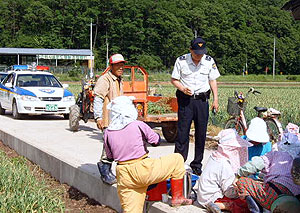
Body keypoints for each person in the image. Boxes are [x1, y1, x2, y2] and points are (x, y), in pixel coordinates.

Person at [103, 96, 192, 212]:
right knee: (177, 159)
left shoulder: (108, 132)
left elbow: (110, 156)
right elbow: (156, 141)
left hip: (124, 174)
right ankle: (178, 197)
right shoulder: (137, 125)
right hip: (143, 169)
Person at [171, 37, 220, 176]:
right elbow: (174, 79)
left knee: (201, 133)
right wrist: (182, 88)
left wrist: (216, 99)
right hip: (186, 101)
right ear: (190, 50)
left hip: (202, 101)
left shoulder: (209, 61)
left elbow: (212, 80)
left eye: (201, 53)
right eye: (196, 53)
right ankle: (178, 163)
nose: (199, 56)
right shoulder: (181, 61)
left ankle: (197, 164)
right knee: (182, 133)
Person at [234, 131, 300, 212]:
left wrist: (238, 174)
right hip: (295, 196)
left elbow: (255, 165)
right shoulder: (298, 158)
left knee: (242, 182)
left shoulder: (277, 154)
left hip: (273, 194)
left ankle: (256, 210)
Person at [196, 129, 250, 213]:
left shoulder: (215, 156)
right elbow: (229, 192)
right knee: (245, 203)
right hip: (213, 197)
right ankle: (222, 205)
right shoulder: (224, 164)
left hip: (202, 196)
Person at [93, 53, 126, 185]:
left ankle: (108, 169)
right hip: (108, 119)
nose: (121, 67)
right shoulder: (105, 79)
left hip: (117, 120)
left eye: (122, 65)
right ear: (111, 66)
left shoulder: (119, 79)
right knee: (109, 145)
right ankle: (104, 168)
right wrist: (98, 117)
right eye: (118, 65)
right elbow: (98, 98)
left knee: (115, 145)